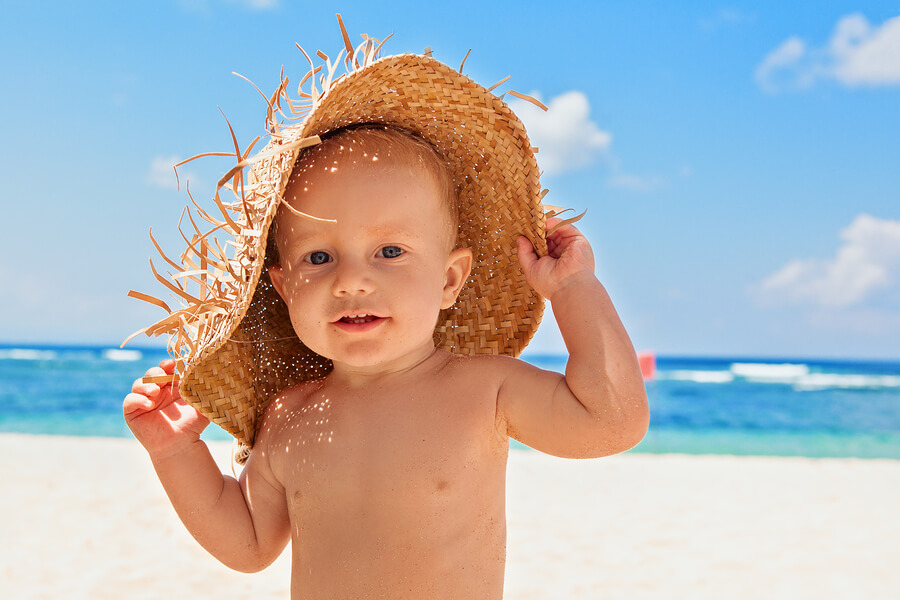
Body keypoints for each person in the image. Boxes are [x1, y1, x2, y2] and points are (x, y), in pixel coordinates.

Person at [124, 21, 648, 600]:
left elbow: (612, 422)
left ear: (450, 279)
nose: (352, 280)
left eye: (390, 251)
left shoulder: (484, 391)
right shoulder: (288, 416)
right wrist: (176, 453)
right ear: (281, 285)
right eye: (319, 256)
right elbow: (248, 544)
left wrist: (575, 291)